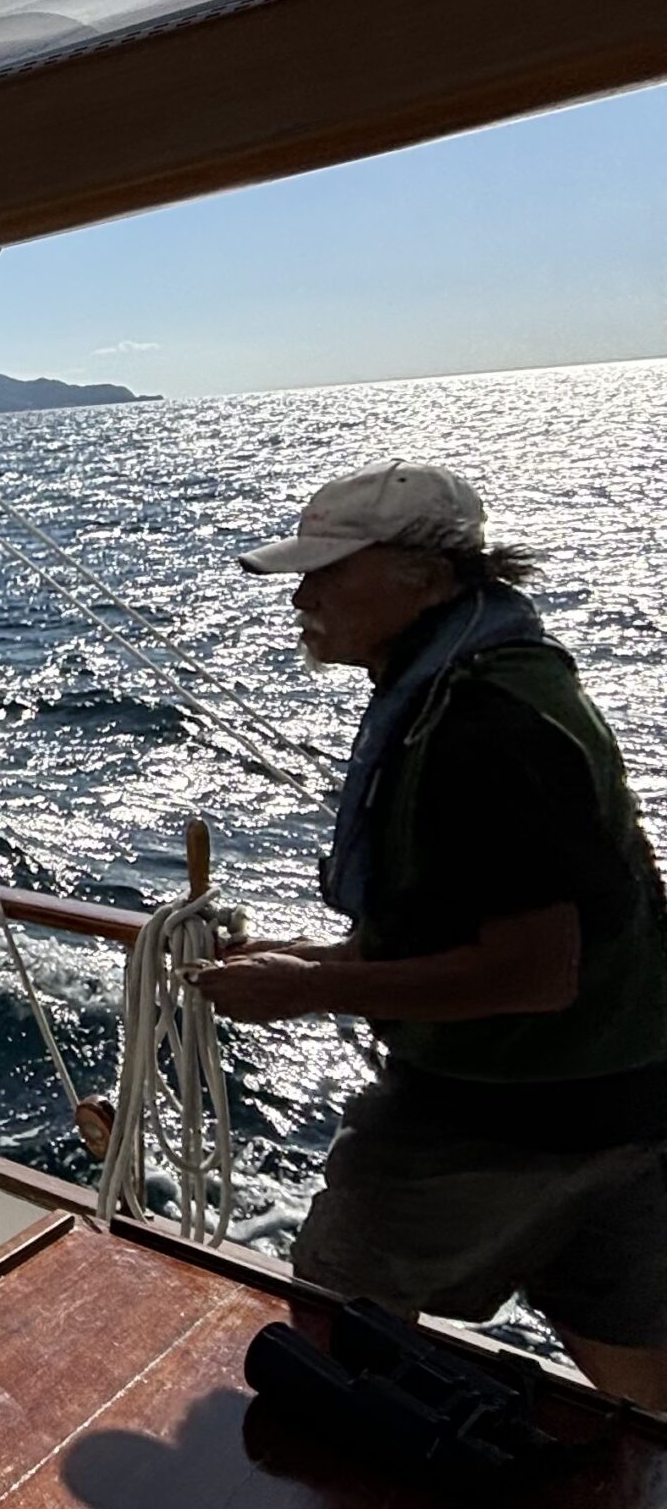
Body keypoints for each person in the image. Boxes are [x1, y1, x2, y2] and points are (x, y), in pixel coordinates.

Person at [195, 461, 667, 1406]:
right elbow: (479, 924)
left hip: (497, 1112)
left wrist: (311, 989)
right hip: (625, 1096)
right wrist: (314, 961)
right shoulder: (481, 684)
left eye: (330, 570)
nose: (303, 594)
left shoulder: (484, 728)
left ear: (426, 574)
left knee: (330, 1321)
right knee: (639, 1377)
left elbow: (536, 972)